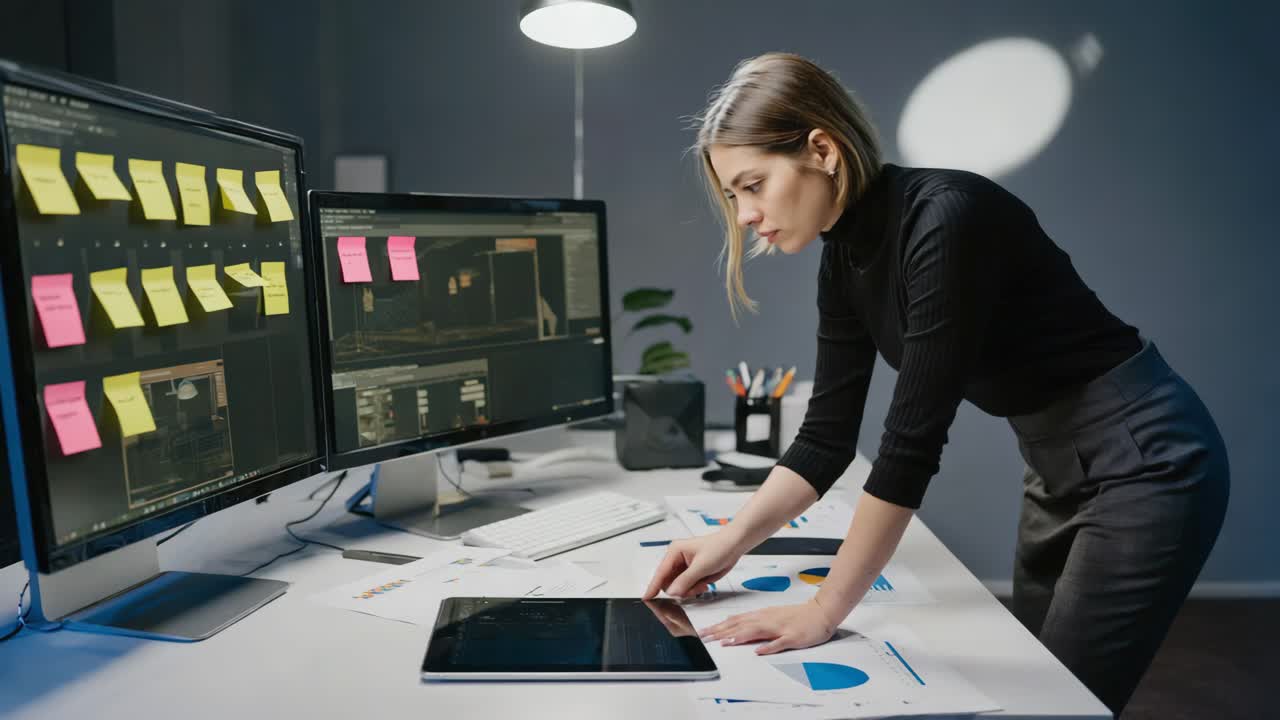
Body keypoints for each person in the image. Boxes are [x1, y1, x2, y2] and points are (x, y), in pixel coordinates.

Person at [642, 52, 1229, 717]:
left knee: (1061, 704)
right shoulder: (843, 259)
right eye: (733, 196)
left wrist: (824, 608)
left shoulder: (946, 218)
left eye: (752, 184)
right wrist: (726, 544)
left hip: (1146, 457)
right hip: (1052, 462)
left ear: (822, 149)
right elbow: (824, 439)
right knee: (1032, 689)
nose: (745, 214)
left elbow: (910, 445)